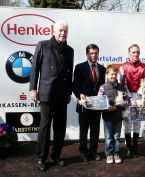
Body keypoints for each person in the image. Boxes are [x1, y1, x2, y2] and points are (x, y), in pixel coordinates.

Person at [29, 20, 74, 172]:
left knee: (60, 128)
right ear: (53, 31)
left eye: (65, 31)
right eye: (60, 30)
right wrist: (33, 89)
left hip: (62, 94)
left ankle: (56, 156)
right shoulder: (43, 45)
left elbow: (70, 74)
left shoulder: (70, 50)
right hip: (47, 93)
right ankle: (41, 158)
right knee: (45, 127)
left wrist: (68, 92)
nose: (63, 33)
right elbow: (35, 69)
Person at [72, 44, 106, 162]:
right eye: (91, 53)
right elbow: (74, 86)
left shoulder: (103, 69)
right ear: (87, 54)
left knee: (95, 130)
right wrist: (79, 94)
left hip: (97, 105)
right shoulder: (79, 67)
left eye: (96, 53)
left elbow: (104, 87)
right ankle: (82, 151)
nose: (94, 55)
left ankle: (94, 152)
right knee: (83, 130)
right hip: (84, 105)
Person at [120, 44, 145, 158]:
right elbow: (122, 85)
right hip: (127, 98)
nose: (136, 54)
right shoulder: (123, 67)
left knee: (137, 125)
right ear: (129, 53)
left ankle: (135, 148)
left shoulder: (144, 67)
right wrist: (130, 98)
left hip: (140, 98)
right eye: (133, 52)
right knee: (127, 125)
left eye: (137, 52)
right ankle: (128, 148)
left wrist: (143, 99)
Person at [98, 65, 128, 164]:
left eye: (115, 74)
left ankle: (117, 153)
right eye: (111, 74)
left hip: (119, 116)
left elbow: (127, 99)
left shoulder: (121, 86)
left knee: (116, 137)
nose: (113, 76)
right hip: (107, 116)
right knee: (108, 137)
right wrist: (106, 108)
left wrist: (124, 103)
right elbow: (99, 102)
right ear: (107, 75)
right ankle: (109, 154)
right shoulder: (103, 87)